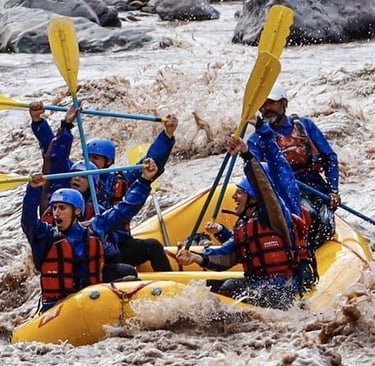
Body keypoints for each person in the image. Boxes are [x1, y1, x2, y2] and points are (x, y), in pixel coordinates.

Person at [176, 120, 317, 310]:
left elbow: (264, 186)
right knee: (217, 285)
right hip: (259, 285)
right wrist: (196, 258)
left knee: (234, 289)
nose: (234, 195)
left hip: (283, 288)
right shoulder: (244, 225)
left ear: (254, 198)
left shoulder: (275, 216)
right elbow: (226, 256)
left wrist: (246, 154)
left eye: (240, 192)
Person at [21, 158, 158, 312]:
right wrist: (33, 191)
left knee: (130, 279)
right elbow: (28, 221)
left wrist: (145, 181)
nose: (56, 213)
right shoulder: (45, 236)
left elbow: (124, 210)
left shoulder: (95, 227)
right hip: (58, 307)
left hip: (92, 297)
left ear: (77, 211)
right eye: (54, 208)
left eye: (62, 208)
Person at [247, 83, 341, 250]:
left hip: (314, 186)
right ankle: (301, 253)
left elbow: (329, 157)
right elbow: (257, 173)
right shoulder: (256, 140)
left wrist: (333, 190)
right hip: (284, 191)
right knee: (308, 215)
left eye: (272, 103)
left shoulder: (304, 126)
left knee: (325, 221)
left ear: (284, 103)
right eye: (263, 104)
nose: (267, 108)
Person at [85, 115, 178, 272]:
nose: (90, 162)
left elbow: (150, 162)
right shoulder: (78, 179)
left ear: (108, 162)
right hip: (92, 246)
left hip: (119, 243)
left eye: (95, 158)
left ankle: (169, 285)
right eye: (88, 158)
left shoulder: (120, 178)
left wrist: (167, 135)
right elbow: (55, 158)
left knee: (153, 246)